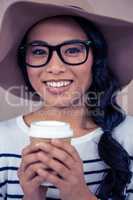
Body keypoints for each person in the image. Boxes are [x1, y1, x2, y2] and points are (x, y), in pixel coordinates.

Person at [0, 0, 133, 200]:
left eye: (72, 50)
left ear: (96, 61)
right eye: (38, 51)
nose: (55, 67)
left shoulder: (129, 137)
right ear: (25, 65)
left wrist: (79, 194)